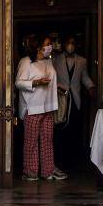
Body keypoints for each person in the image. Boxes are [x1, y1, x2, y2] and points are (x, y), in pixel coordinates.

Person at [16, 36, 66, 182]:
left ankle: (48, 170)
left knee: (47, 140)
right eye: (47, 44)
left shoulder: (49, 61)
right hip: (32, 107)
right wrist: (36, 82)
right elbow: (18, 83)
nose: (50, 46)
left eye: (50, 44)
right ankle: (30, 172)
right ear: (38, 47)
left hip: (48, 106)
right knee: (31, 141)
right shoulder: (26, 61)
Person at [52, 36, 95, 170]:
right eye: (68, 43)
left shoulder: (82, 61)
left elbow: (85, 77)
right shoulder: (55, 60)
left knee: (74, 130)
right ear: (64, 44)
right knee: (60, 130)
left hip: (75, 100)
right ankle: (60, 160)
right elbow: (52, 78)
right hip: (61, 99)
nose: (70, 45)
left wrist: (91, 87)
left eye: (73, 43)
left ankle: (73, 161)